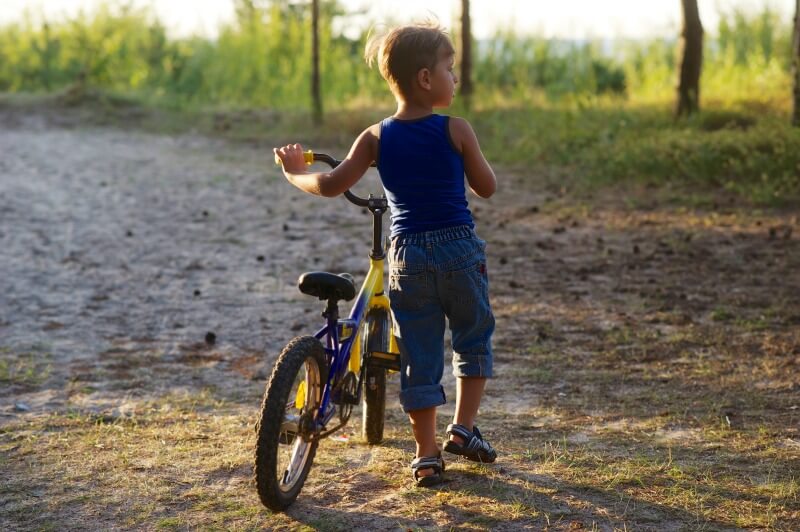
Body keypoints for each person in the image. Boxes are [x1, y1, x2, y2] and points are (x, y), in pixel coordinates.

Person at [274, 22, 497, 487]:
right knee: (472, 337)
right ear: (424, 79)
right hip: (458, 247)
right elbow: (487, 187)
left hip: (407, 256)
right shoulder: (457, 129)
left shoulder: (375, 137)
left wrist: (295, 173)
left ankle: (426, 453)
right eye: (450, 70)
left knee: (417, 352)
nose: (454, 79)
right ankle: (463, 428)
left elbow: (333, 185)